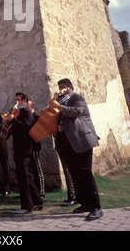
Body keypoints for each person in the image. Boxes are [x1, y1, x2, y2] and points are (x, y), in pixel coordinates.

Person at [48, 78, 103, 221]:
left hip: (81, 140)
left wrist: (58, 107)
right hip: (65, 142)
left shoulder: (77, 98)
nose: (60, 89)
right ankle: (84, 203)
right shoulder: (59, 102)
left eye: (63, 87)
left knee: (85, 173)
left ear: (70, 87)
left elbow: (76, 111)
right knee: (75, 174)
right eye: (59, 87)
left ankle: (96, 207)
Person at [6, 93, 44, 214]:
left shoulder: (27, 111)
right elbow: (15, 128)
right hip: (19, 147)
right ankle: (38, 201)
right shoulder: (18, 112)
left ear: (24, 101)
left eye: (18, 100)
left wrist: (13, 121)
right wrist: (7, 123)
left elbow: (26, 127)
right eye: (15, 99)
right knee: (28, 176)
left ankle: (27, 206)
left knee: (23, 177)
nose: (16, 102)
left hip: (24, 148)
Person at [28, 100, 45, 198]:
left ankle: (41, 192)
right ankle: (34, 192)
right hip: (26, 147)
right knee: (30, 170)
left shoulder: (36, 117)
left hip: (34, 146)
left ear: (32, 107)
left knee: (37, 169)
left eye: (28, 107)